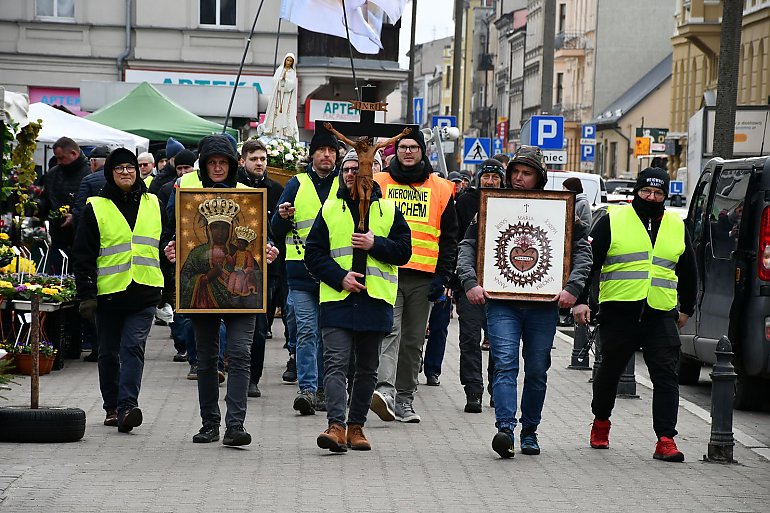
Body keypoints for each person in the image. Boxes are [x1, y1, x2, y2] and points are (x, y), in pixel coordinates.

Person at [456, 146, 592, 458]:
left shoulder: (561, 209)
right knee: (504, 363)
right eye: (515, 171)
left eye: (526, 173)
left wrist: (573, 289)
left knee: (537, 369)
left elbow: (583, 252)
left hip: (543, 305)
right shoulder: (492, 207)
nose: (518, 178)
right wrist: (470, 282)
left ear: (539, 177)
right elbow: (468, 246)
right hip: (501, 302)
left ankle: (530, 430)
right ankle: (505, 428)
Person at [572, 167, 697, 462]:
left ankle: (666, 439)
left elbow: (689, 271)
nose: (651, 197)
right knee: (609, 372)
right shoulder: (613, 220)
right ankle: (601, 422)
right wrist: (579, 300)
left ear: (665, 195)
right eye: (646, 192)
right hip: (619, 311)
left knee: (666, 376)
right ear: (636, 192)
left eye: (658, 193)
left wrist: (686, 309)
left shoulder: (677, 225)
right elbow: (588, 263)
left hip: (660, 313)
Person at [164, 134, 279, 446]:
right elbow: (171, 232)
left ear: (232, 164)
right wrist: (170, 249)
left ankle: (235, 425)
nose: (217, 168)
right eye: (212, 162)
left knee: (240, 354)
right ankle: (209, 423)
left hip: (243, 300)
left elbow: (263, 240)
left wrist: (269, 251)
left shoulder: (249, 194)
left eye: (223, 162)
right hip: (201, 301)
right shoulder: (186, 189)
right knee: (206, 358)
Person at [304, 149, 412, 452]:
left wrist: (374, 243)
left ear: (371, 173)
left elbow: (404, 251)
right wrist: (340, 277)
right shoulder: (330, 209)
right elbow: (313, 253)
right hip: (338, 301)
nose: (354, 174)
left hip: (375, 301)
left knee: (367, 369)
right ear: (342, 173)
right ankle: (335, 425)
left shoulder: (388, 211)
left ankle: (356, 427)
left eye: (359, 169)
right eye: (348, 169)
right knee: (336, 364)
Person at [73, 147, 168, 433]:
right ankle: (112, 406)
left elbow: (165, 247)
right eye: (119, 169)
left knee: (132, 348)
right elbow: (83, 254)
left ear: (139, 171)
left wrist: (171, 289)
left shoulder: (154, 203)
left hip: (145, 290)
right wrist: (87, 295)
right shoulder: (96, 207)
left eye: (130, 167)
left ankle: (128, 406)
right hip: (109, 295)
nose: (126, 172)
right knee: (108, 353)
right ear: (110, 173)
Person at [371, 128, 458, 423]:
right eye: (403, 147)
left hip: (424, 278)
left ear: (423, 152)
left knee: (412, 340)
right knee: (389, 333)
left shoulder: (442, 188)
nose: (408, 151)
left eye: (413, 147)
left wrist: (444, 277)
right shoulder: (379, 183)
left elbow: (450, 238)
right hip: (387, 272)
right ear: (395, 152)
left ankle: (405, 399)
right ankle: (384, 392)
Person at [271, 128, 340, 415]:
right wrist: (283, 217)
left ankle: (326, 389)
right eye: (322, 150)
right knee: (307, 331)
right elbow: (275, 228)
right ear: (311, 155)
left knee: (329, 334)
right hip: (300, 272)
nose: (326, 155)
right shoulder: (296, 184)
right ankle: (308, 390)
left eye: (331, 151)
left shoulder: (343, 185)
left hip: (334, 273)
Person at [453, 159, 506, 413]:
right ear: (479, 178)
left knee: (500, 340)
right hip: (469, 281)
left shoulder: (509, 201)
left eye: (495, 177)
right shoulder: (465, 201)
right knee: (469, 339)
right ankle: (473, 390)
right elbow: (455, 239)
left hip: (502, 283)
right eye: (486, 177)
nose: (490, 181)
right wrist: (456, 281)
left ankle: (498, 389)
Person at [238, 140, 285, 398]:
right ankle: (231, 368)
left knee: (258, 327)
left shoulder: (276, 190)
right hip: (232, 267)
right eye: (254, 158)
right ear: (243, 160)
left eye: (263, 159)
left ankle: (252, 378)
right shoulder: (233, 188)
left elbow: (279, 229)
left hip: (265, 269)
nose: (259, 163)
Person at [72, 144, 110, 363]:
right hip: (118, 255)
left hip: (93, 250)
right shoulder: (126, 183)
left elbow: (79, 212)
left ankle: (97, 348)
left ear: (94, 162)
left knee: (95, 302)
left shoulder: (88, 180)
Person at [39, 137, 92, 274]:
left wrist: (75, 216)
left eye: (61, 158)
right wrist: (36, 208)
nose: (59, 162)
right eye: (57, 158)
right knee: (57, 278)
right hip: (58, 237)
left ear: (74, 154)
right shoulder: (53, 174)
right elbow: (46, 200)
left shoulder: (89, 174)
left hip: (82, 239)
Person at [260, 52, 299, 141]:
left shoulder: (292, 72)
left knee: (285, 115)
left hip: (286, 98)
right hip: (277, 97)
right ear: (285, 60)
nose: (288, 62)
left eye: (290, 61)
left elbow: (292, 85)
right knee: (275, 114)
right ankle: (273, 132)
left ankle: (283, 134)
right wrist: (280, 80)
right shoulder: (280, 70)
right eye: (287, 60)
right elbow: (274, 82)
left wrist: (286, 81)